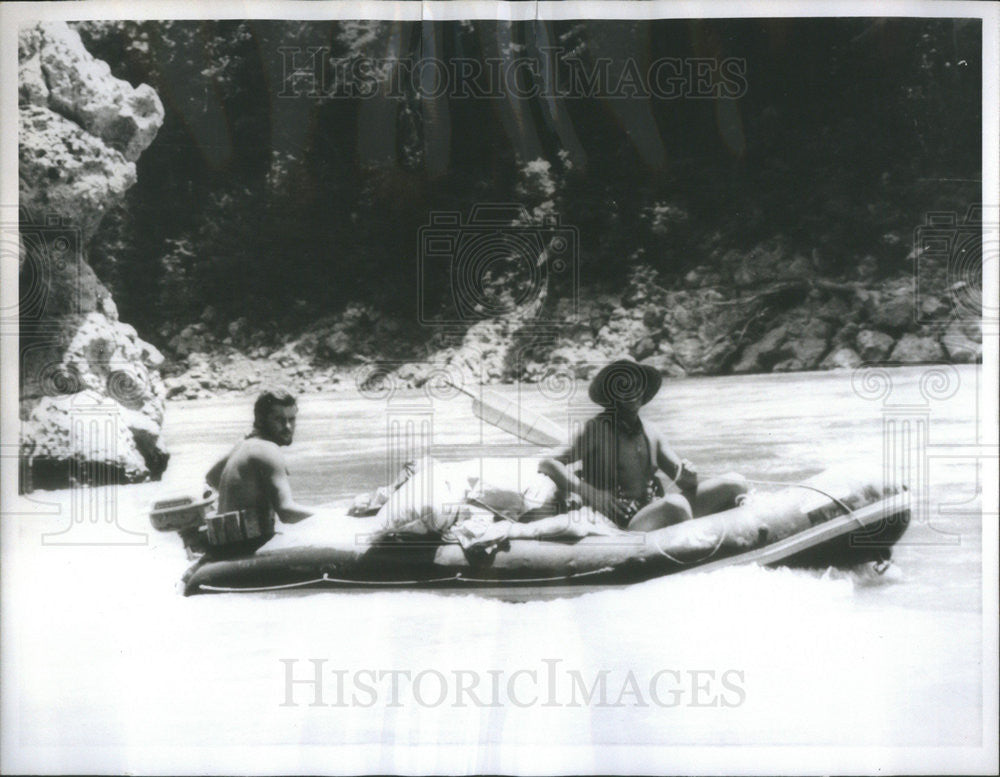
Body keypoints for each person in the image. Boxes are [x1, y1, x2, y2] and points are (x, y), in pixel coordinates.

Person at [539, 359, 747, 532]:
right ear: (613, 394)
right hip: (621, 521)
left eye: (637, 384)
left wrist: (689, 475)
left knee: (735, 483)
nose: (633, 390)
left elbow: (686, 483)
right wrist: (591, 493)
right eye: (624, 385)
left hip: (653, 508)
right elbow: (548, 462)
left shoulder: (652, 431)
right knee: (675, 505)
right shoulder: (596, 429)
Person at [205, 388, 314, 546]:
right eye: (279, 420)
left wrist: (247, 498)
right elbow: (286, 512)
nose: (288, 427)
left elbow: (212, 477)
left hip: (227, 548)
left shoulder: (244, 444)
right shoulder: (268, 450)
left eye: (292, 419)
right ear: (262, 420)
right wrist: (338, 515)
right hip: (246, 551)